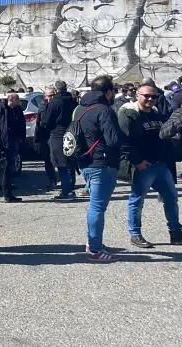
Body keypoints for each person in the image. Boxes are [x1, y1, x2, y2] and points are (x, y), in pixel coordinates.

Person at [118, 83, 182, 248]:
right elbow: (123, 142)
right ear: (137, 95)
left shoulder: (157, 115)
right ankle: (135, 234)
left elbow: (167, 134)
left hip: (160, 165)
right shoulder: (128, 114)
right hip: (143, 166)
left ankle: (175, 232)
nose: (150, 99)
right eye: (146, 95)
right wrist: (137, 161)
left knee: (171, 198)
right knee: (137, 200)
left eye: (153, 96)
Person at [75, 76, 124, 261]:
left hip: (86, 162)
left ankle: (93, 243)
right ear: (108, 91)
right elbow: (113, 140)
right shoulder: (104, 110)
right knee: (97, 207)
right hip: (102, 163)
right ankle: (95, 249)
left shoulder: (81, 108)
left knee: (94, 206)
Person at [41, 80, 79, 201]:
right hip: (71, 132)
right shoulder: (73, 101)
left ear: (56, 90)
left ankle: (66, 191)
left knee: (61, 164)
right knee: (70, 162)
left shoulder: (54, 103)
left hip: (57, 134)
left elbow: (46, 121)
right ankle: (70, 188)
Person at [0, 93, 25, 202]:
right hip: (4, 141)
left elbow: (21, 123)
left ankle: (9, 192)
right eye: (17, 100)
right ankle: (6, 194)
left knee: (11, 167)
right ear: (12, 100)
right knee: (6, 168)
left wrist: (22, 137)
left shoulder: (18, 109)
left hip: (14, 140)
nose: (19, 102)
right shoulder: (2, 109)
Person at [37, 87, 59, 189]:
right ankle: (52, 180)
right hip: (46, 137)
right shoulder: (42, 107)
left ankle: (66, 182)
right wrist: (37, 139)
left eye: (53, 95)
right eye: (49, 95)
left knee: (59, 160)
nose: (52, 97)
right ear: (45, 97)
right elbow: (39, 124)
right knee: (48, 161)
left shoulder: (58, 105)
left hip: (57, 136)